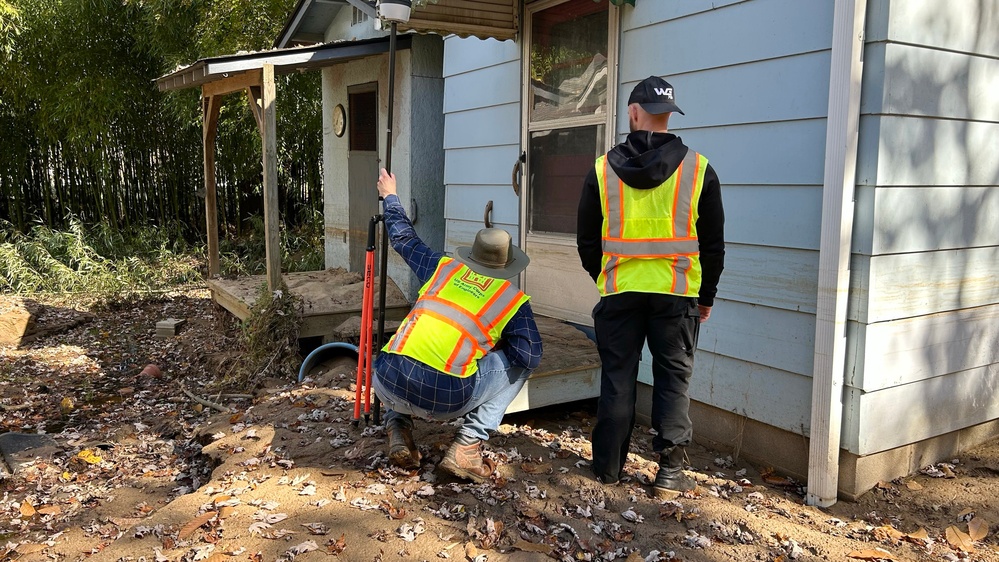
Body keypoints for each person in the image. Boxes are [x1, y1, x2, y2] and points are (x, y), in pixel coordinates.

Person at [576, 76, 725, 498]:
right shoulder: (698, 169)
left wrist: (605, 278)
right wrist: (706, 296)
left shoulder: (602, 169)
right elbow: (713, 244)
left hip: (620, 292)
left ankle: (607, 469)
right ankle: (670, 475)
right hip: (677, 297)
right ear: (668, 115)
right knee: (673, 380)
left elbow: (587, 240)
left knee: (618, 379)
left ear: (633, 112)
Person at [371, 168, 543, 483]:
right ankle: (468, 446)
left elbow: (402, 237)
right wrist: (493, 344)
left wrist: (390, 195)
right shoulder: (510, 299)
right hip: (444, 395)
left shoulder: (442, 268)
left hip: (385, 380)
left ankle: (398, 427)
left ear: (471, 257)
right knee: (520, 365)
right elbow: (529, 356)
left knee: (414, 338)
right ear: (508, 265)